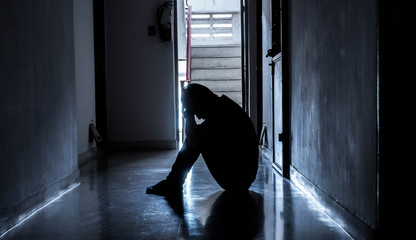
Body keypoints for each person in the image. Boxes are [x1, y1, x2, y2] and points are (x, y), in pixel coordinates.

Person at [146, 83, 258, 195]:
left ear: (200, 101)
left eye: (193, 109)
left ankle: (173, 183)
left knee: (196, 137)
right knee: (197, 135)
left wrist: (189, 114)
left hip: (236, 182)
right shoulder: (223, 107)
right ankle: (173, 182)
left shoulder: (222, 114)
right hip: (242, 179)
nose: (197, 116)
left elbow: (193, 140)